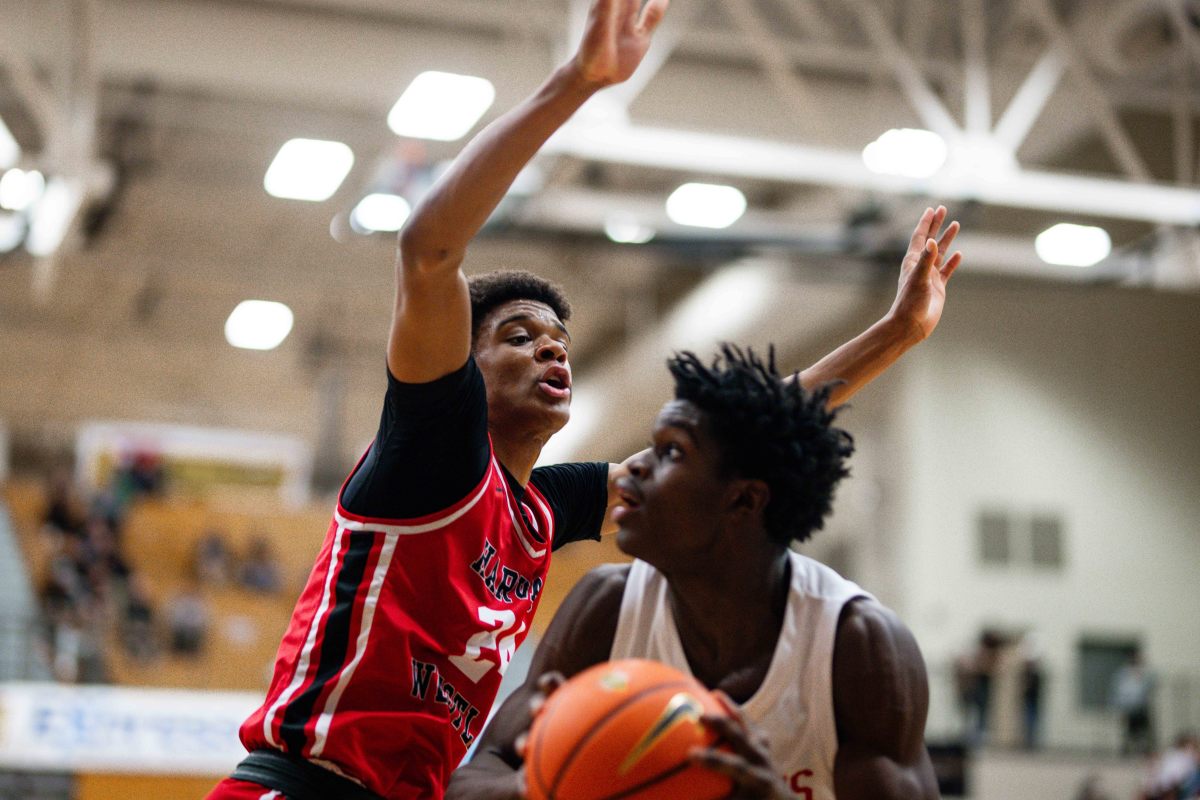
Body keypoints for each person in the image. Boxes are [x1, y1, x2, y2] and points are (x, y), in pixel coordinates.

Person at [206, 0, 961, 795]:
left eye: (559, 338)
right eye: (521, 336)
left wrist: (895, 333)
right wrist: (575, 84)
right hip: (302, 785)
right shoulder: (430, 452)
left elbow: (738, 434)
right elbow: (427, 251)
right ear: (460, 365)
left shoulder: (542, 508)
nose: (552, 346)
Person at [447, 346, 942, 800]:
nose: (636, 468)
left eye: (672, 453)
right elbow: (472, 779)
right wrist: (537, 784)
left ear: (743, 499)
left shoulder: (855, 646)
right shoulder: (608, 606)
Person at [1114, 650, 1157, 756]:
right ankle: (1127, 749)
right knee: (1130, 729)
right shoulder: (1124, 673)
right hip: (1129, 706)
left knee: (1144, 729)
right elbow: (1120, 690)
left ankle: (1145, 748)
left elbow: (1151, 683)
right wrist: (1121, 705)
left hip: (1141, 705)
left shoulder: (1144, 673)